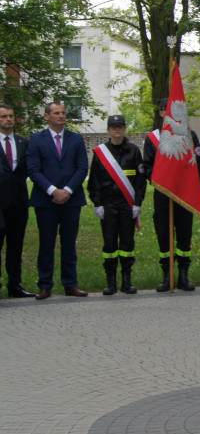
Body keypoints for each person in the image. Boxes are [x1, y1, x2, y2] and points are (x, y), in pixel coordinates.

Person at [26, 102, 89, 299]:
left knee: (69, 243)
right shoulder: (36, 139)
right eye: (56, 113)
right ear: (47, 116)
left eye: (63, 113)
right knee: (46, 244)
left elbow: (82, 168)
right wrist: (53, 191)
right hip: (46, 201)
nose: (61, 116)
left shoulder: (76, 139)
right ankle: (45, 285)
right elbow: (33, 170)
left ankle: (70, 284)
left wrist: (67, 190)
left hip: (71, 200)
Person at [143, 97, 200, 292]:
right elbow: (148, 167)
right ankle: (167, 275)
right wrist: (164, 181)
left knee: (184, 236)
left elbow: (196, 165)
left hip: (184, 194)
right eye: (164, 110)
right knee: (164, 235)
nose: (168, 114)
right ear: (161, 113)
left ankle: (183, 275)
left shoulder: (189, 134)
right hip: (163, 195)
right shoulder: (152, 139)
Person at [87, 115, 147, 295]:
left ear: (125, 129)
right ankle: (110, 282)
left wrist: (137, 203)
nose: (117, 130)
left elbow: (140, 181)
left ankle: (126, 281)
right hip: (108, 205)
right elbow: (94, 181)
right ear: (108, 130)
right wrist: (97, 204)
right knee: (110, 244)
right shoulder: (100, 152)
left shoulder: (134, 151)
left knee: (128, 243)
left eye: (120, 126)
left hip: (127, 205)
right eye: (114, 127)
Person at [0, 103, 33, 298]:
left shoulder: (23, 142)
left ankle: (15, 285)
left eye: (11, 116)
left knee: (15, 246)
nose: (8, 119)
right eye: (4, 116)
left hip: (18, 202)